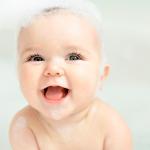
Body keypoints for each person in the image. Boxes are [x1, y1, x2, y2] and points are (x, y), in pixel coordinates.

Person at [9, 0, 132, 149]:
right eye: (36, 58)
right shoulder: (24, 125)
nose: (53, 69)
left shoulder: (111, 126)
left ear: (101, 76)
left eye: (73, 57)